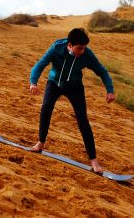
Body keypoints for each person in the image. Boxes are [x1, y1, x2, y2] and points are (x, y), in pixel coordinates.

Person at [29, 28, 115, 173]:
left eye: (84, 48)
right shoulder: (56, 48)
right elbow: (41, 64)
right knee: (46, 108)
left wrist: (110, 90)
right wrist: (33, 82)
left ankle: (93, 160)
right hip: (54, 83)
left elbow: (102, 72)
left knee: (82, 120)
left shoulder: (87, 55)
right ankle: (40, 143)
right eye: (79, 48)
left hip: (75, 87)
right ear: (70, 45)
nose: (82, 51)